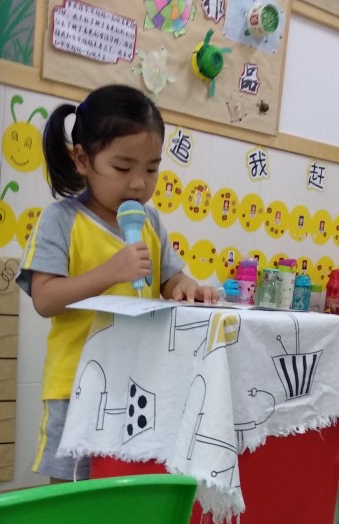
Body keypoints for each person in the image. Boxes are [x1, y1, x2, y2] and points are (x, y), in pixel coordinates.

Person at [16, 84, 219, 482]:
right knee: (72, 492)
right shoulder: (61, 220)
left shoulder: (150, 221)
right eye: (123, 168)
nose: (139, 184)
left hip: (141, 383)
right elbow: (45, 298)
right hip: (77, 385)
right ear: (82, 159)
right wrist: (109, 272)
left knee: (129, 482)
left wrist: (187, 286)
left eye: (151, 168)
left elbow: (169, 278)